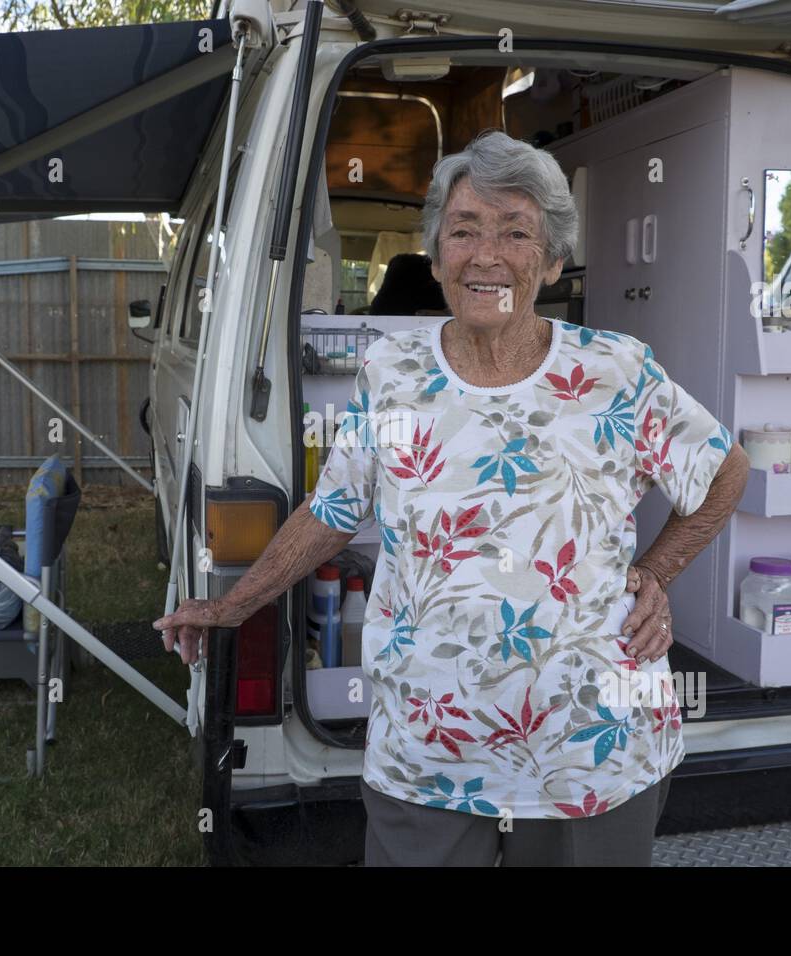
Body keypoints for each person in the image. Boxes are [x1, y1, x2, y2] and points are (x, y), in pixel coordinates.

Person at [153, 129, 749, 866]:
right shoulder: (392, 371)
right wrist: (229, 605)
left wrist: (655, 573)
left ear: (554, 260)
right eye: (463, 230)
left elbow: (724, 469)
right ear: (435, 258)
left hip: (589, 744)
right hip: (430, 741)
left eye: (516, 232)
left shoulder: (614, 372)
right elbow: (336, 509)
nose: (486, 253)